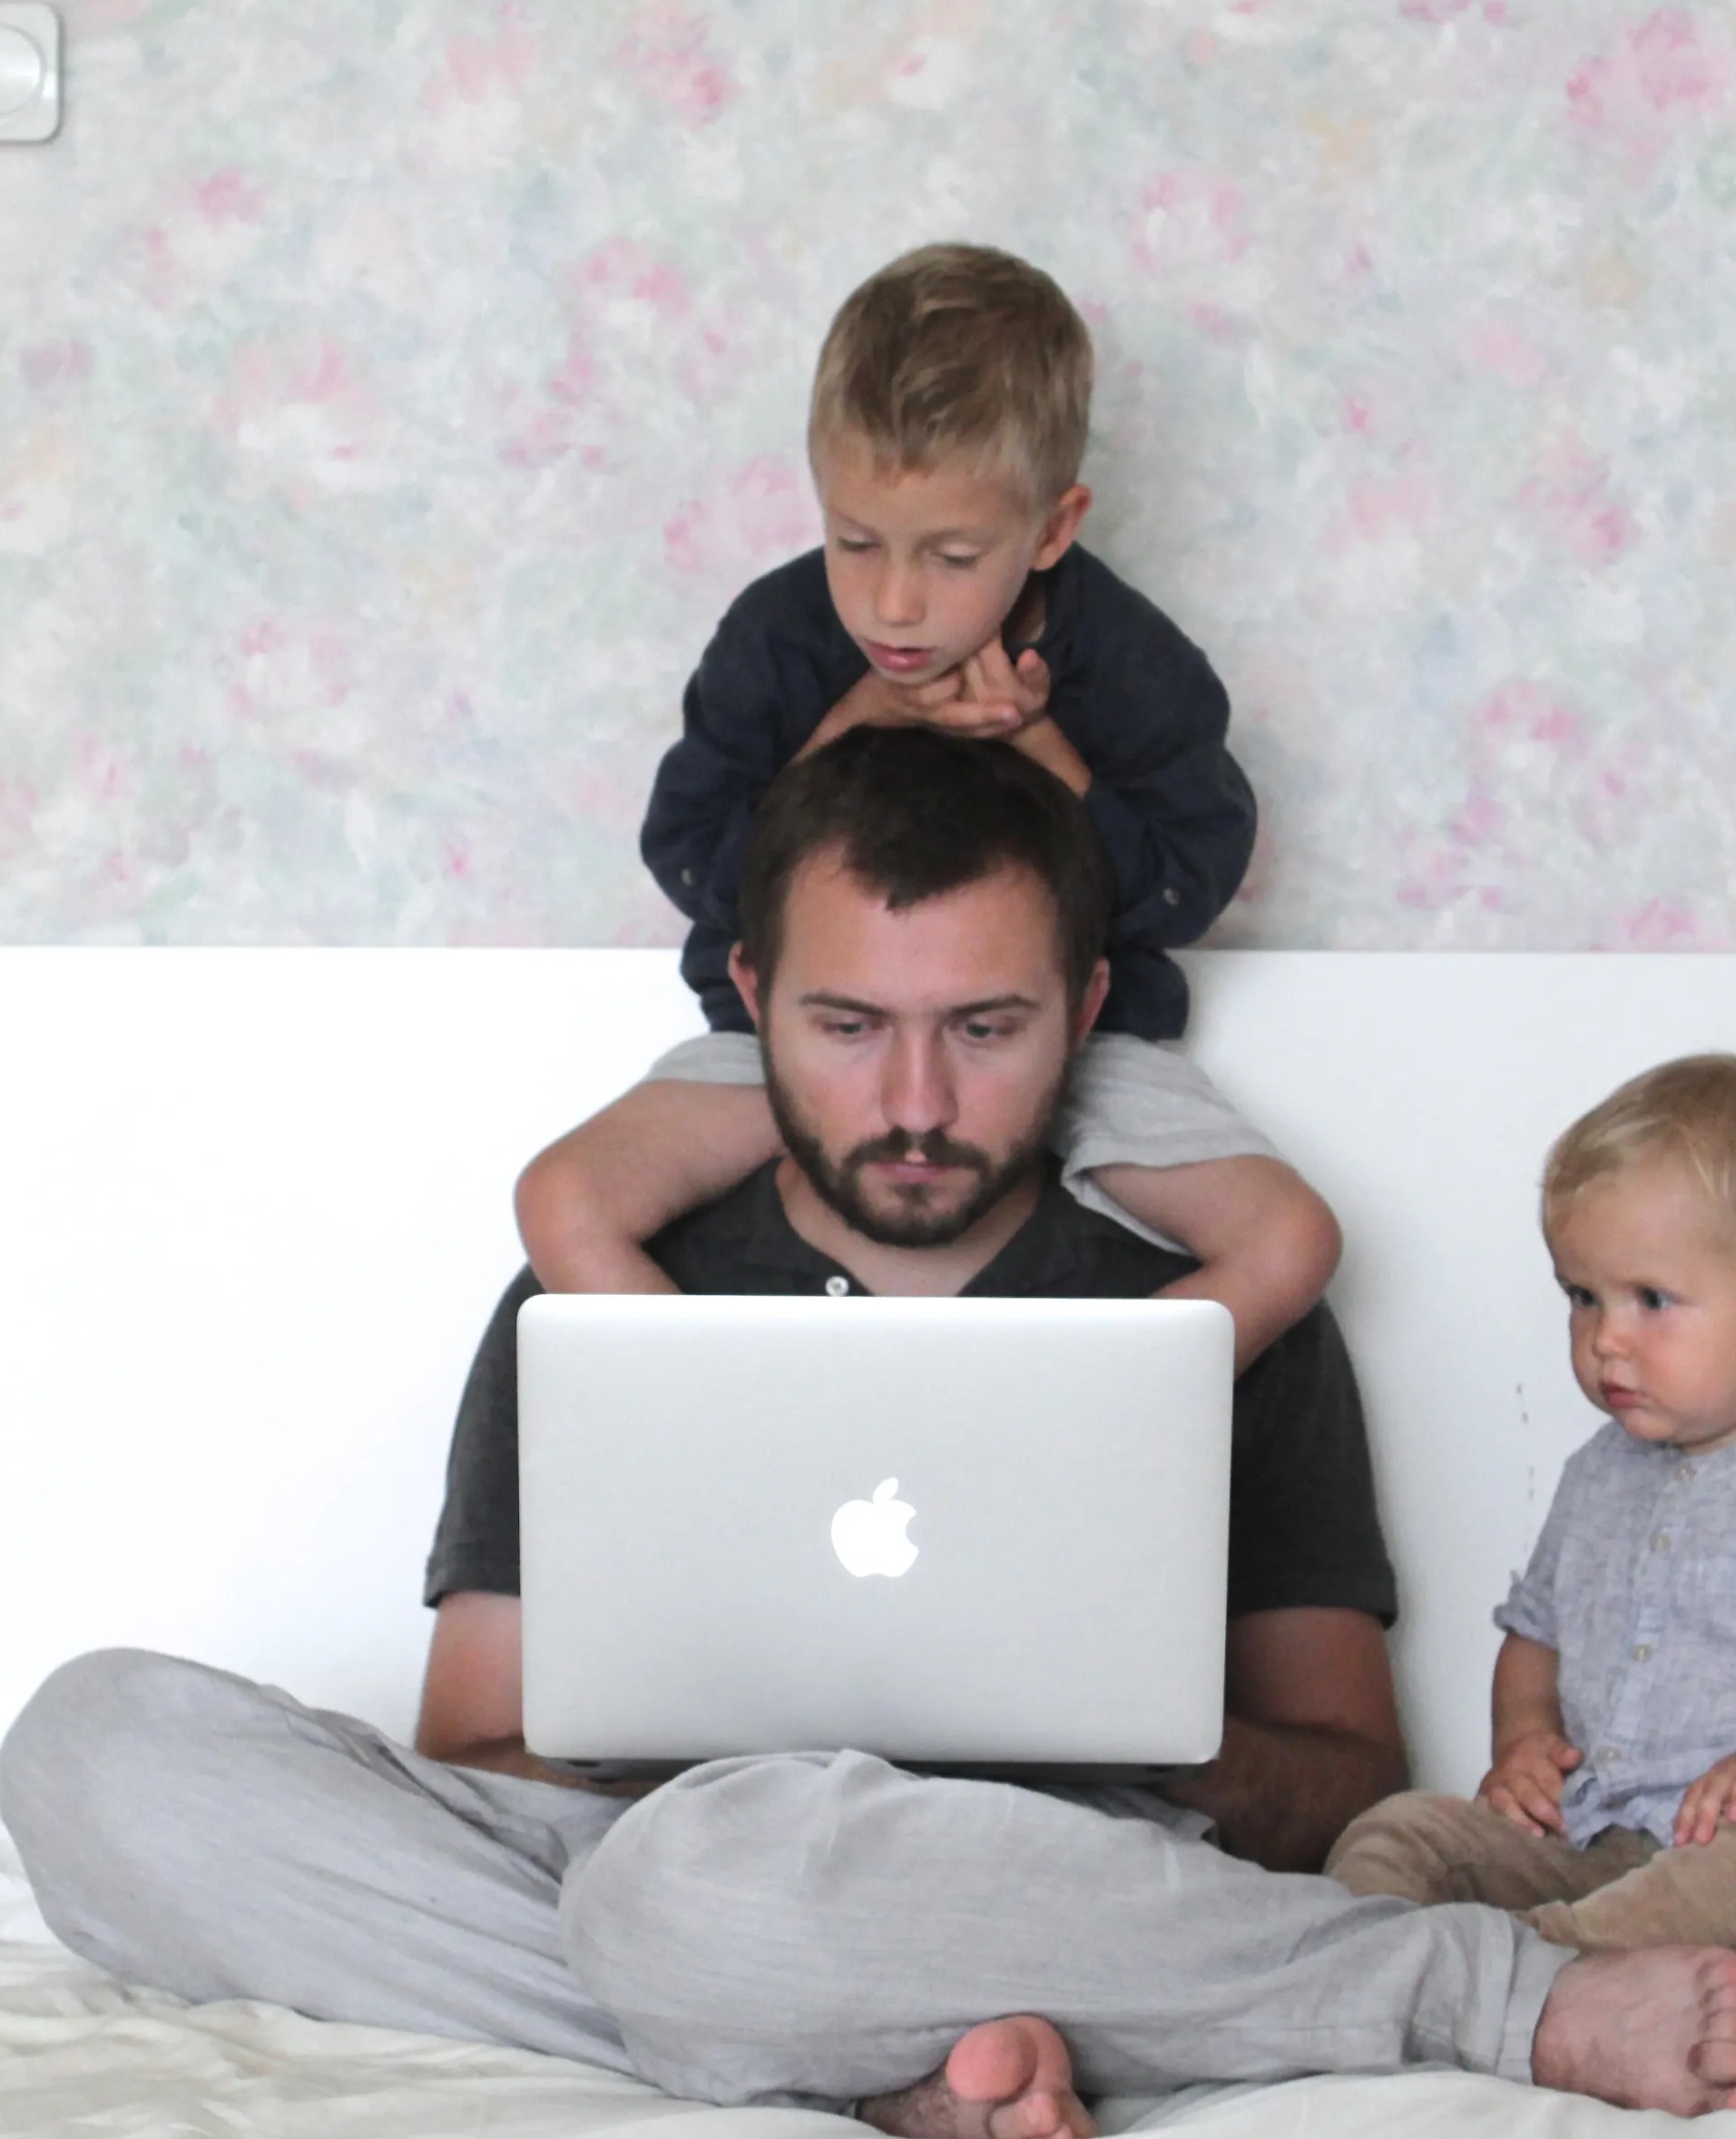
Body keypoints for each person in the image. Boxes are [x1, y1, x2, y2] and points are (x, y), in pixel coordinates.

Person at [0, 731, 1736, 2139]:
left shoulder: (1206, 1311)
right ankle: (855, 2056)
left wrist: (1142, 1749)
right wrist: (725, 1739)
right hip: (666, 1864)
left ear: (1086, 1010)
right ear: (752, 997)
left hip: (1045, 1876)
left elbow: (1343, 1779)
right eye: (848, 1028)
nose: (917, 1103)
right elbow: (474, 1743)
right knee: (98, 1754)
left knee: (705, 1899)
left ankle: (1489, 2000)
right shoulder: (608, 1303)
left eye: (984, 1030)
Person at [515, 242, 1340, 1369]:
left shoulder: (1134, 666)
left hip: (1080, 1051)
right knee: (561, 1200)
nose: (893, 602)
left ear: (1052, 530)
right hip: (803, 1060)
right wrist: (852, 722)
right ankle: (727, 1418)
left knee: (1292, 1240)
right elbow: (692, 855)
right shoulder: (779, 640)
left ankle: (1053, 1419)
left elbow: (1183, 888)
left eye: (953, 556)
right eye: (854, 543)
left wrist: (1044, 749)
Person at [1325, 1056, 1736, 1962]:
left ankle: (1539, 1968)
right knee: (1398, 1832)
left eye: (1652, 1300)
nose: (1605, 1337)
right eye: (1582, 1297)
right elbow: (1536, 1639)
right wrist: (1524, 1739)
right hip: (1601, 1844)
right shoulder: (1597, 1476)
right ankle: (1375, 1963)